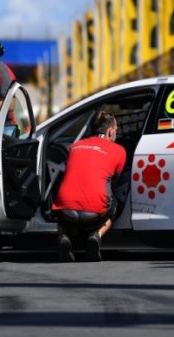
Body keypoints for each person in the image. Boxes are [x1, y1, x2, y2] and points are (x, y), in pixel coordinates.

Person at [51, 111, 127, 262]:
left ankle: (63, 236)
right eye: (116, 131)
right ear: (110, 131)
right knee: (116, 203)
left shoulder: (74, 146)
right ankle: (96, 235)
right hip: (94, 215)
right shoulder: (119, 150)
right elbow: (114, 181)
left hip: (66, 213)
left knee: (60, 199)